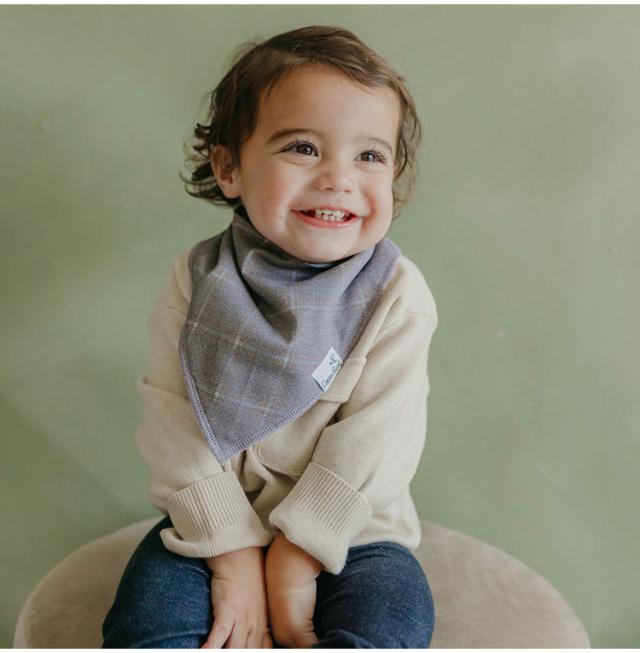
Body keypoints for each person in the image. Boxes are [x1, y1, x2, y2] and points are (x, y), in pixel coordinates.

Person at [102, 24, 438, 649]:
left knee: (388, 622)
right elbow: (174, 423)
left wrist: (295, 557)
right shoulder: (198, 281)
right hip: (212, 525)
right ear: (228, 167)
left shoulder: (396, 293)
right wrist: (230, 552)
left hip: (355, 533)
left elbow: (379, 439)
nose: (339, 178)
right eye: (303, 148)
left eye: (369, 156)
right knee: (146, 624)